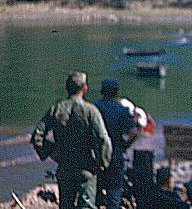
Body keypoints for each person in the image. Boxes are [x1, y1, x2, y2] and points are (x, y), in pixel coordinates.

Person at [31, 71, 112, 209]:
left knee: (65, 205)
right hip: (86, 167)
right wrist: (103, 163)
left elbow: (37, 136)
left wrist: (52, 152)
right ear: (84, 88)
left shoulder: (56, 108)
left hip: (65, 167)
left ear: (67, 88)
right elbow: (103, 139)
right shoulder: (91, 111)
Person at [94, 78, 138, 209]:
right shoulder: (122, 110)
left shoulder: (94, 108)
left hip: (97, 155)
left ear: (102, 91)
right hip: (116, 154)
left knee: (96, 191)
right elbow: (133, 132)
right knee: (114, 193)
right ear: (116, 92)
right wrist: (126, 145)